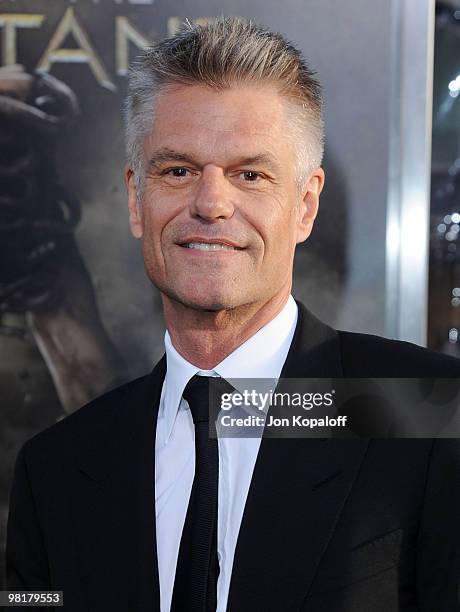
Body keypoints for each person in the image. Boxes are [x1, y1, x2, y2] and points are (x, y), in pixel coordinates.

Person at [5, 16, 460, 612]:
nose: (212, 203)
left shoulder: (427, 415)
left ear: (304, 206)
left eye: (250, 174)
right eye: (178, 171)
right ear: (136, 200)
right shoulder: (56, 469)